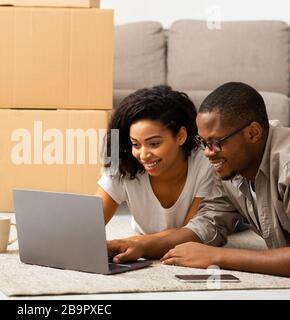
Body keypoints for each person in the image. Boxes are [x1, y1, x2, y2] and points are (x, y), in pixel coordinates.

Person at [108, 82, 290, 277]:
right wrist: (141, 245)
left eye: (215, 143)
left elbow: (214, 250)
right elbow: (207, 224)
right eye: (202, 143)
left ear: (253, 133)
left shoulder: (286, 166)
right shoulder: (230, 166)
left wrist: (219, 256)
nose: (207, 153)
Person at [96, 85, 214, 240]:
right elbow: (89, 224)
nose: (143, 155)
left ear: (180, 136)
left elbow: (192, 233)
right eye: (135, 144)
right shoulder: (124, 164)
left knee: (231, 218)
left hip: (222, 216)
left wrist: (132, 242)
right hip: (146, 232)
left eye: (154, 144)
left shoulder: (205, 162)